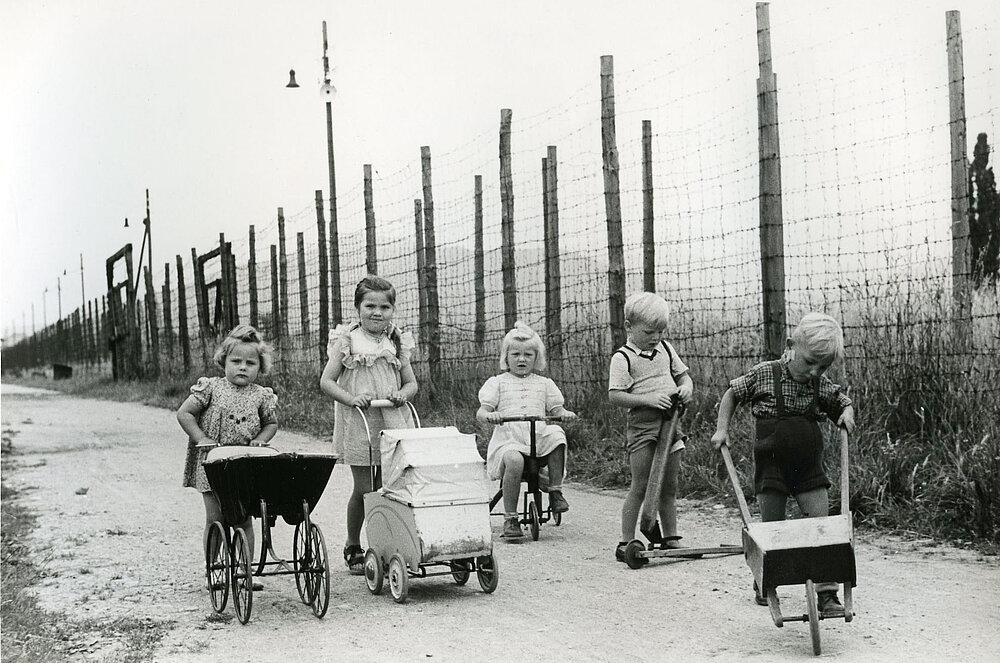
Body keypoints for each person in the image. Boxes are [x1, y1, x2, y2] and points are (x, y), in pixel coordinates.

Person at [712, 312, 856, 615]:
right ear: (791, 345)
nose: (816, 371)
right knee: (772, 529)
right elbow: (732, 394)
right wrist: (721, 429)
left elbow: (840, 401)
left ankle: (827, 593)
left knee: (823, 527)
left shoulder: (819, 384)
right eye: (810, 362)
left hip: (808, 470)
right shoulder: (764, 374)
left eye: (824, 366)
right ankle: (766, 576)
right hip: (772, 468)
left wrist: (847, 412)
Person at [320, 275, 417, 574]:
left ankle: (387, 543)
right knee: (364, 488)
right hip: (360, 422)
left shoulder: (396, 341)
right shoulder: (347, 340)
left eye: (385, 307)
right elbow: (326, 381)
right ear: (357, 307)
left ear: (393, 310)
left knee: (389, 486)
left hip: (391, 420)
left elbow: (411, 383)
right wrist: (350, 398)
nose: (377, 312)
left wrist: (402, 394)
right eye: (370, 305)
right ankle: (353, 544)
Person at [177, 324, 278, 563]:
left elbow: (271, 424)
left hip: (244, 464)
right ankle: (212, 567)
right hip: (212, 463)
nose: (243, 367)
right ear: (224, 361)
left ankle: (246, 569)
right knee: (215, 518)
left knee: (243, 519)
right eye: (236, 361)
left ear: (259, 367)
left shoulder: (261, 395)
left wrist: (260, 441)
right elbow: (184, 413)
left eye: (250, 363)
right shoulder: (211, 388)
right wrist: (201, 438)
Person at [608, 292, 694, 561]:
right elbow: (616, 395)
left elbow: (684, 376)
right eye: (648, 331)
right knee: (642, 484)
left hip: (671, 423)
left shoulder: (666, 350)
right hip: (644, 427)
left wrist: (686, 388)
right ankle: (626, 541)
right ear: (629, 326)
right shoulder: (623, 358)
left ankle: (670, 537)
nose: (655, 337)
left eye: (660, 331)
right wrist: (647, 399)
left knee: (669, 485)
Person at [477, 321, 576, 539]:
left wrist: (564, 413)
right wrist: (490, 415)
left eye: (528, 355)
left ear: (536, 357)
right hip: (510, 438)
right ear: (506, 357)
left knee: (557, 434)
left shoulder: (544, 383)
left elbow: (556, 408)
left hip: (537, 437)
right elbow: (482, 412)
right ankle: (511, 517)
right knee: (514, 460)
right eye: (516, 354)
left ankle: (555, 490)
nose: (522, 359)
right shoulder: (498, 383)